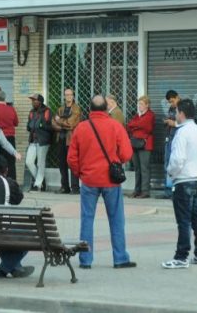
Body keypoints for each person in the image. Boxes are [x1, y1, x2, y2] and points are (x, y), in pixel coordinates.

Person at [67, 95, 136, 269]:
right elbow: (127, 154)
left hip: (89, 180)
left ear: (90, 109)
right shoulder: (115, 126)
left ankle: (85, 259)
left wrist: (80, 172)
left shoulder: (81, 128)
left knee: (87, 219)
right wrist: (115, 162)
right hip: (111, 181)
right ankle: (120, 258)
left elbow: (72, 158)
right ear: (106, 109)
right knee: (116, 219)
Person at [162, 99, 197, 269]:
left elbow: (177, 159)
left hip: (183, 181)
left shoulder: (181, 133)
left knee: (183, 220)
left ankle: (181, 256)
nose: (175, 115)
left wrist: (171, 172)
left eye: (176, 112)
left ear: (181, 113)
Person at [53, 88, 83, 194]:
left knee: (72, 163)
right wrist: (61, 126)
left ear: (73, 96)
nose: (68, 97)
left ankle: (75, 188)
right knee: (62, 164)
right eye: (66, 95)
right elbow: (53, 122)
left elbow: (71, 124)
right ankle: (64, 187)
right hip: (61, 139)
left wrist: (59, 120)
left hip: (71, 140)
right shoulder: (61, 108)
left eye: (70, 95)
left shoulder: (76, 109)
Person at [126, 95, 155, 198]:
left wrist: (135, 126)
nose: (139, 106)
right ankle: (137, 190)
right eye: (139, 104)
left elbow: (146, 127)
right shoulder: (137, 116)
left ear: (147, 105)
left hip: (145, 145)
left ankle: (145, 191)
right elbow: (129, 126)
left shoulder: (150, 115)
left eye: (142, 104)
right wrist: (136, 126)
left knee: (144, 168)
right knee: (137, 168)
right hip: (135, 144)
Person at [25, 94, 53, 191]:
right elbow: (28, 127)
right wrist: (30, 126)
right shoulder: (32, 112)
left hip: (43, 140)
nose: (33, 102)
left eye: (34, 100)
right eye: (32, 100)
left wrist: (40, 125)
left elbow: (50, 127)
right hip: (33, 140)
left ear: (40, 101)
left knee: (40, 163)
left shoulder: (47, 111)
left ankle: (37, 185)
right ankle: (41, 180)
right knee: (29, 162)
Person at [162, 90, 181, 199]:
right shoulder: (171, 108)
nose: (171, 104)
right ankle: (168, 190)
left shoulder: (184, 107)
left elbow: (189, 122)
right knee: (167, 164)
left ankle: (176, 190)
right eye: (170, 102)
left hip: (177, 139)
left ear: (177, 97)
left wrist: (174, 123)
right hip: (169, 138)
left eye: (172, 101)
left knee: (176, 164)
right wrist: (167, 122)